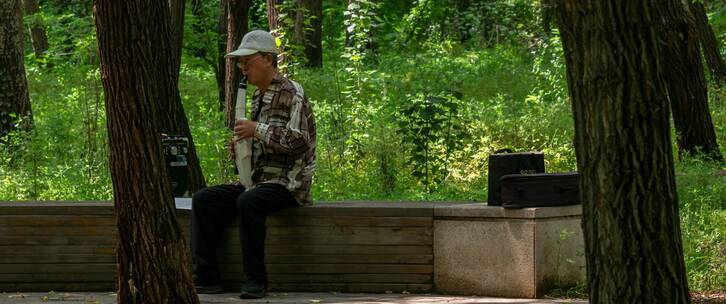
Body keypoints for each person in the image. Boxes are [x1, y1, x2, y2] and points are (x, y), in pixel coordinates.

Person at [191, 29, 316, 299]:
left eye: (248, 61)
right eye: (241, 62)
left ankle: (255, 281)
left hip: (288, 183)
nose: (242, 67)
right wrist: (241, 151)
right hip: (257, 182)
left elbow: (298, 141)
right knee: (204, 199)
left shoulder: (292, 93)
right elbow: (263, 143)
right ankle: (207, 278)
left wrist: (256, 130)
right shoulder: (259, 96)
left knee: (249, 202)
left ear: (268, 59)